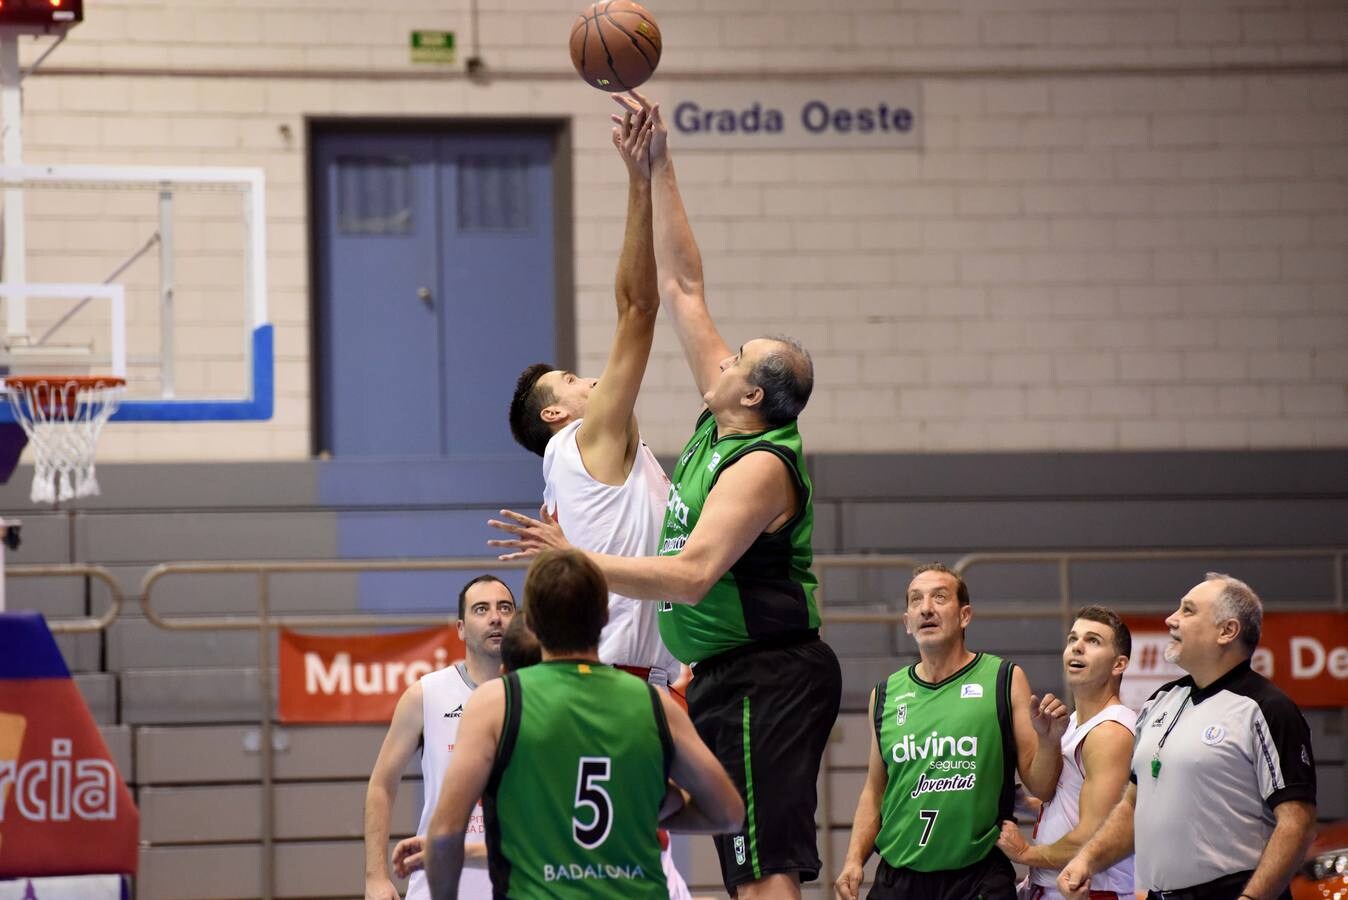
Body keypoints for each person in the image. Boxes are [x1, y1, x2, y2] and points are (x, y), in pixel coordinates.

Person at [490, 91, 842, 899]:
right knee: (671, 855)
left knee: (735, 859)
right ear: (556, 414)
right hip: (632, 678)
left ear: (750, 395)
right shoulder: (598, 440)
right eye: (572, 380)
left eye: (736, 359)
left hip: (719, 674)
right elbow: (664, 296)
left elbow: (675, 292)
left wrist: (655, 168)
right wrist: (650, 172)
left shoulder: (749, 459)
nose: (720, 359)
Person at [423, 550, 745, 900]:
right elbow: (729, 814)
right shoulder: (654, 703)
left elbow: (445, 833)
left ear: (529, 623)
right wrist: (642, 813)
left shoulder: (497, 702)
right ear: (605, 617)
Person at [505, 98, 678, 690]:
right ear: (556, 413)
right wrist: (640, 179)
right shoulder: (586, 440)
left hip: (627, 671)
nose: (592, 381)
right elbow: (638, 309)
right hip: (620, 678)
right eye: (574, 382)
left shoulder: (585, 469)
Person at [1058, 574, 1317, 900]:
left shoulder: (1267, 709)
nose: (1171, 619)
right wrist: (1087, 860)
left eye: (1188, 611)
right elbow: (1134, 804)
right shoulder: (1159, 701)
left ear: (1227, 631)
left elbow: (1297, 823)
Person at [834, 563, 1070, 900]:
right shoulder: (885, 694)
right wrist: (854, 859)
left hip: (977, 877)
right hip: (899, 879)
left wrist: (1049, 741)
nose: (926, 608)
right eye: (916, 601)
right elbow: (875, 792)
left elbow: (1043, 785)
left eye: (939, 597)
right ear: (907, 622)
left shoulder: (1002, 678)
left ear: (965, 616)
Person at [363, 575, 516, 900]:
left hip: (517, 884)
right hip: (439, 885)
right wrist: (375, 876)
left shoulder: (535, 695)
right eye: (481, 609)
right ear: (461, 628)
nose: (495, 617)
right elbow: (381, 784)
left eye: (505, 608)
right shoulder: (426, 694)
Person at [995, 606, 1137, 900]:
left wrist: (1025, 853)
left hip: (1093, 891)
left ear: (1118, 664)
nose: (1077, 647)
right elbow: (1077, 801)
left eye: (1093, 641)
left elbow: (1095, 835)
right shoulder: (1072, 722)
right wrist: (1032, 805)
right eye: (1073, 639)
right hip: (1051, 888)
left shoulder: (1110, 731)